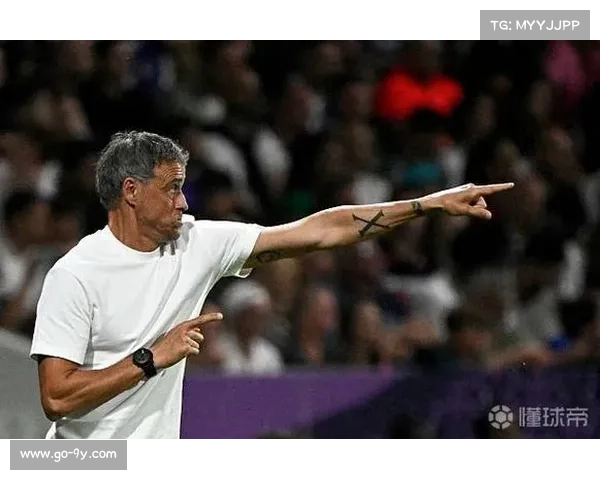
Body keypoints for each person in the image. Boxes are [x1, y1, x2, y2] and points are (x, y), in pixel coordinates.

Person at [29, 131, 514, 440]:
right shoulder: (75, 275)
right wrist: (151, 358)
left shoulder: (196, 242)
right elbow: (57, 398)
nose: (183, 202)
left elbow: (320, 231)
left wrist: (428, 204)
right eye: (172, 187)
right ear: (131, 192)